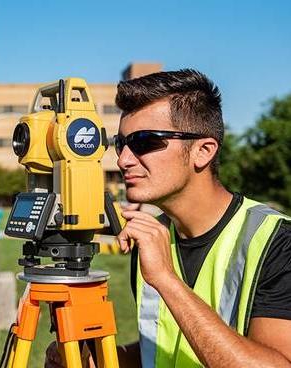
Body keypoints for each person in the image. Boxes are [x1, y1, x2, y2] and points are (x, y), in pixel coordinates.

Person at [47, 69, 291, 367]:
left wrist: (166, 279)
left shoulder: (276, 241)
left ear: (203, 151)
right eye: (121, 144)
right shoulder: (152, 238)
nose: (123, 159)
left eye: (145, 141)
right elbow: (166, 348)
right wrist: (101, 361)